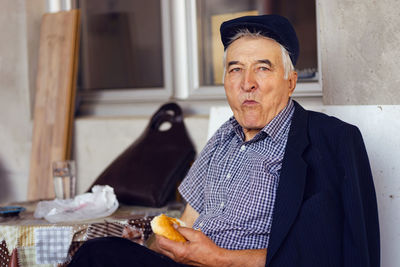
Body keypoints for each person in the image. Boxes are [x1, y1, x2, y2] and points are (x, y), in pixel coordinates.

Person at [68, 14, 380, 267]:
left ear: (290, 81)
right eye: (236, 69)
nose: (248, 83)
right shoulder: (223, 138)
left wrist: (222, 259)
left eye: (263, 68)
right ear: (226, 82)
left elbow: (323, 256)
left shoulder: (326, 141)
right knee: (103, 252)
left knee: (98, 255)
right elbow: (187, 221)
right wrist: (153, 249)